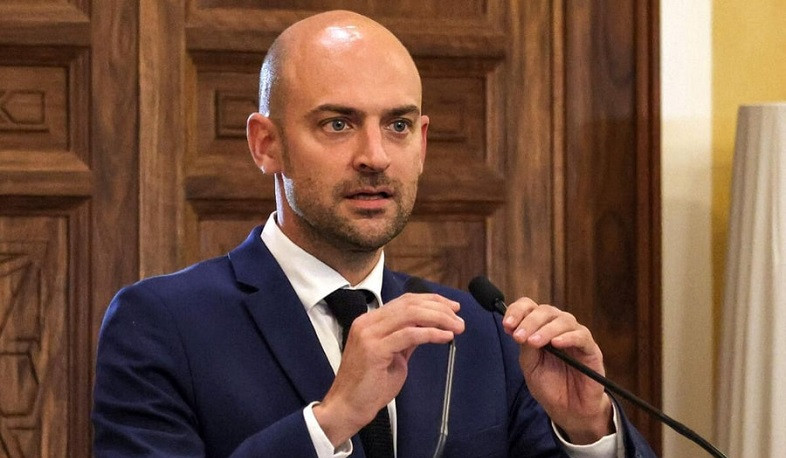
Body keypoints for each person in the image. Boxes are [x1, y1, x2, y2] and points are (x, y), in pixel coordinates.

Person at [92, 10, 655, 458]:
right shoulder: (160, 324)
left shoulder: (481, 333)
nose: (375, 156)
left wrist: (588, 431)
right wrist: (330, 421)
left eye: (398, 125)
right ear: (266, 144)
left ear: (423, 144)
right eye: (337, 124)